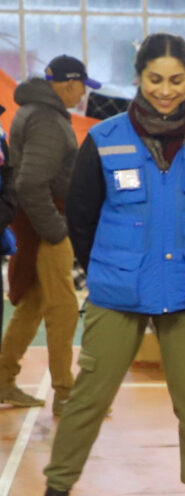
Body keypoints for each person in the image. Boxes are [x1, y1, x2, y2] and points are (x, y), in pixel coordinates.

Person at [22, 35, 185, 496]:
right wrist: (111, 268)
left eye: (176, 80)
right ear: (139, 78)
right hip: (118, 292)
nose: (165, 91)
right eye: (155, 79)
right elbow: (83, 214)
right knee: (87, 400)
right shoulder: (105, 139)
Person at [0, 55, 98, 415]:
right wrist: (56, 230)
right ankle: (66, 393)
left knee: (34, 304)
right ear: (70, 84)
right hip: (47, 222)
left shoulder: (37, 112)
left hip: (36, 221)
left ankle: (4, 380)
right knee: (64, 308)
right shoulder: (46, 119)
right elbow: (30, 182)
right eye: (83, 86)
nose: (83, 94)